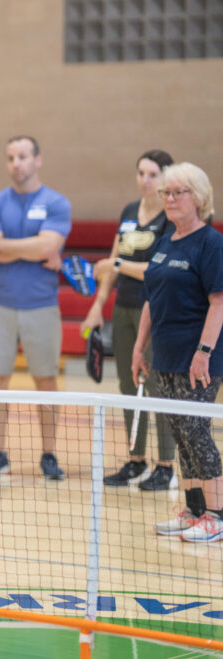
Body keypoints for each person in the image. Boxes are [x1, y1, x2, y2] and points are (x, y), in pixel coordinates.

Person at [134, 162, 223, 543]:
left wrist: (203, 351)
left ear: (198, 198)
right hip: (166, 355)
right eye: (165, 193)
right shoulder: (164, 242)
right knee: (179, 432)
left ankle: (217, 516)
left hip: (198, 358)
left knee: (196, 432)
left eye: (177, 193)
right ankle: (193, 510)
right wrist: (139, 347)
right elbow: (151, 301)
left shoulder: (211, 243)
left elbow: (218, 303)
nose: (169, 199)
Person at [0, 136, 71, 479]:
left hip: (41, 305)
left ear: (38, 160)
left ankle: (49, 453)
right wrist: (31, 248)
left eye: (23, 156)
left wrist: (3, 243)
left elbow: (49, 246)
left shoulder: (57, 202)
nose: (17, 163)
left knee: (45, 379)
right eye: (11, 157)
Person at [82, 150, 178, 491]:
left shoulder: (170, 216)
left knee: (156, 387)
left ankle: (166, 467)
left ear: (166, 178)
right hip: (122, 308)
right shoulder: (127, 212)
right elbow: (113, 260)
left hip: (154, 310)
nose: (145, 180)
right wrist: (98, 304)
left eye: (153, 174)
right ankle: (135, 460)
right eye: (141, 173)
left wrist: (119, 266)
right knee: (126, 385)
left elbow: (159, 268)